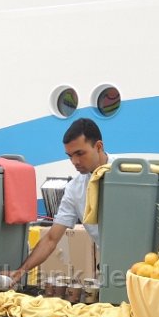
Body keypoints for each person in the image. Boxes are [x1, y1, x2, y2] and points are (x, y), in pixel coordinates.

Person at [8, 117, 108, 285]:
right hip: (110, 266)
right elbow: (51, 239)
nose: (75, 162)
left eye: (80, 153)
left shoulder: (132, 172)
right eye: (70, 156)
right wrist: (20, 272)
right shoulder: (74, 189)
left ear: (98, 146)